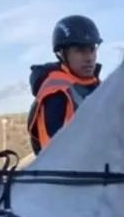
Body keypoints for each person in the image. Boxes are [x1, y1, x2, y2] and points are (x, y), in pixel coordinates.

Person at [27, 15, 102, 154]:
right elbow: (55, 153)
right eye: (80, 50)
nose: (89, 58)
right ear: (62, 53)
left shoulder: (99, 86)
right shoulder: (56, 93)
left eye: (92, 49)